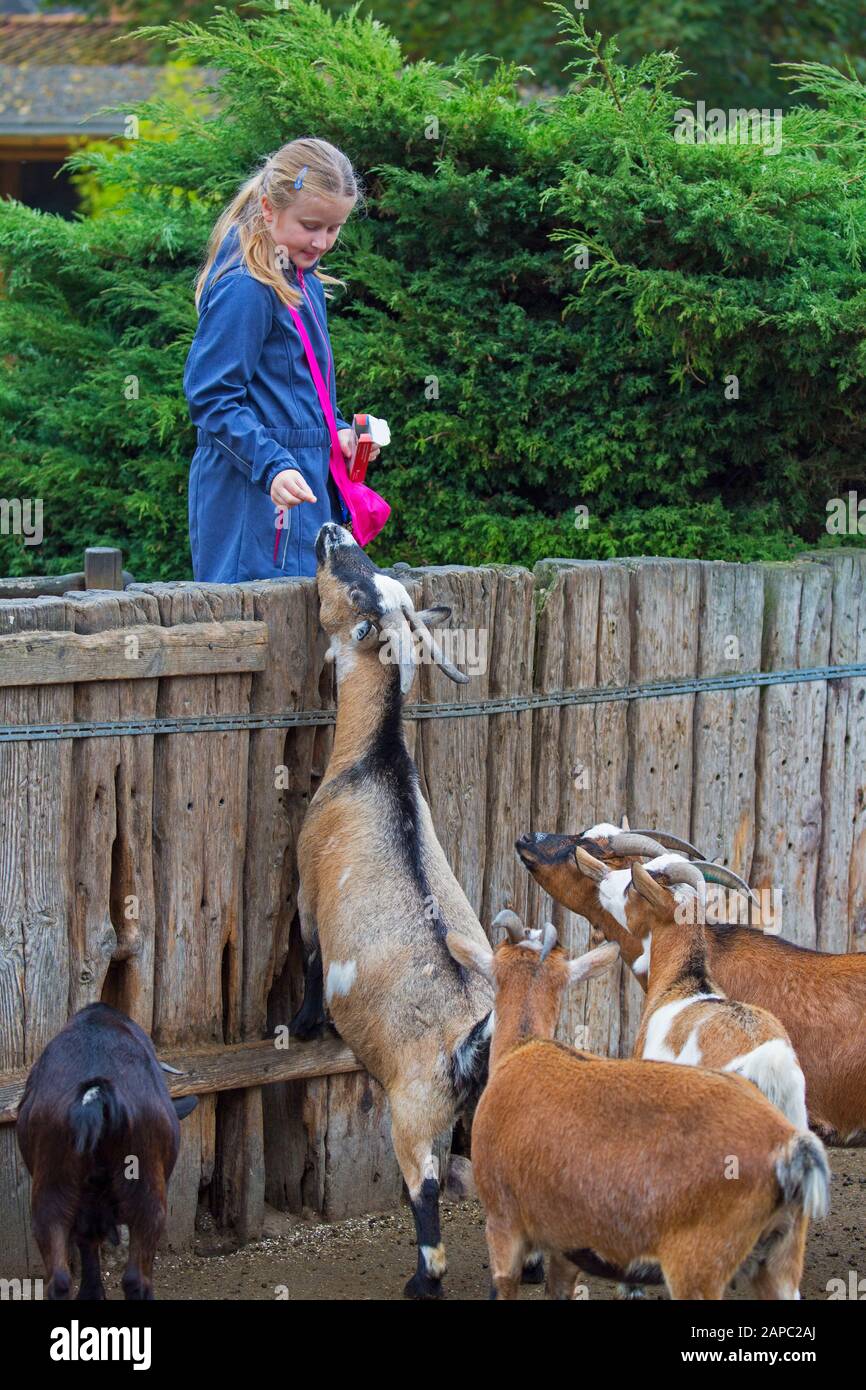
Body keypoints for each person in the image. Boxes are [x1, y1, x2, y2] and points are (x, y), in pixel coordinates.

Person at [184, 136, 385, 581]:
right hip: (252, 497)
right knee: (252, 634)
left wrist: (336, 430)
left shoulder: (302, 278)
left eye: (334, 229)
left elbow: (298, 384)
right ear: (268, 209)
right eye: (311, 225)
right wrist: (272, 463)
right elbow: (211, 398)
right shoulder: (246, 287)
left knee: (307, 635)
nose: (322, 242)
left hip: (303, 490)